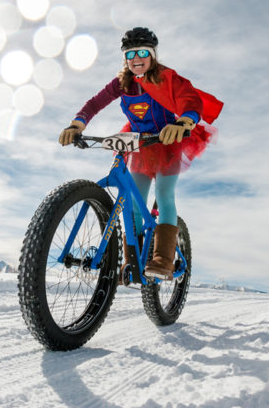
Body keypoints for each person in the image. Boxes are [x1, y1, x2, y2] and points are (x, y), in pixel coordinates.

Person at [58, 27, 223, 281]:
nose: (136, 59)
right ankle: (133, 262)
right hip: (140, 145)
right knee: (135, 203)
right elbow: (95, 103)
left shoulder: (165, 77)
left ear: (153, 55)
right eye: (130, 54)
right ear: (125, 58)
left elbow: (189, 99)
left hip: (167, 141)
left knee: (164, 195)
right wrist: (77, 124)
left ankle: (163, 259)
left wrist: (184, 122)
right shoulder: (121, 83)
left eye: (143, 53)